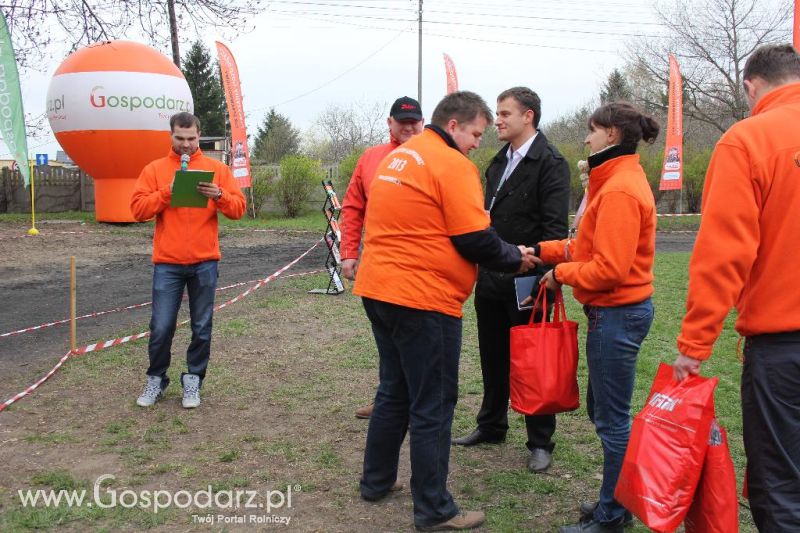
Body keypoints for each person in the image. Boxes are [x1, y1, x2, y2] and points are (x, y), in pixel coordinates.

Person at [353, 91, 539, 531]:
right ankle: (435, 509)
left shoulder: (402, 156)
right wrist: (515, 257)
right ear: (453, 125)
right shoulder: (451, 164)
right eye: (475, 133)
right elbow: (474, 238)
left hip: (379, 289)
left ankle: (376, 480)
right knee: (433, 402)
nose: (478, 143)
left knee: (394, 390)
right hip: (423, 299)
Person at [673, 44, 800, 531]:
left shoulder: (749, 140)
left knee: (782, 486)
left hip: (783, 347)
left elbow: (724, 254)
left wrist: (694, 344)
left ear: (751, 86)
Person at [530, 102, 659, 533]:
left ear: (612, 135)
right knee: (605, 412)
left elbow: (609, 269)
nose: (586, 138)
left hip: (617, 313)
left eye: (592, 130)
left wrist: (559, 275)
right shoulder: (612, 182)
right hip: (613, 314)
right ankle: (614, 501)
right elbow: (585, 247)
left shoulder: (619, 189)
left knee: (612, 421)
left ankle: (612, 515)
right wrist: (541, 251)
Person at [452, 87, 570, 475]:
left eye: (505, 114)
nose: (497, 121)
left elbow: (555, 230)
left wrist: (538, 272)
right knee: (493, 356)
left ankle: (540, 441)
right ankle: (491, 425)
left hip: (529, 282)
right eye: (498, 114)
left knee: (534, 362)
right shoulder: (498, 161)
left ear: (528, 116)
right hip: (491, 277)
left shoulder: (551, 163)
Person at [130, 112, 246, 409]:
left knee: (202, 326)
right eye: (180, 138)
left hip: (205, 262)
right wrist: (167, 192)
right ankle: (156, 378)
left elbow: (238, 209)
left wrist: (219, 195)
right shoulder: (155, 169)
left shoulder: (216, 169)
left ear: (199, 136)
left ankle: (194, 379)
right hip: (167, 263)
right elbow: (138, 210)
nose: (185, 144)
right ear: (170, 135)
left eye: (191, 139)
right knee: (161, 326)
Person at [339, 96, 424, 420]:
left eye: (414, 122)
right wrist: (349, 253)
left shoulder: (437, 158)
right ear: (390, 123)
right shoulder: (371, 158)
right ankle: (388, 399)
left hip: (420, 269)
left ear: (423, 122)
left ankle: (418, 406)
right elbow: (352, 208)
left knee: (418, 341)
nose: (408, 127)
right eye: (402, 122)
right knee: (387, 342)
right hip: (379, 269)